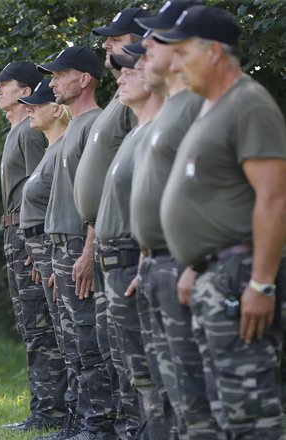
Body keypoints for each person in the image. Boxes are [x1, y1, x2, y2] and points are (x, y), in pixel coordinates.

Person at [157, 5, 286, 438]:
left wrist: (262, 283)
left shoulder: (248, 104)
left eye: (182, 52)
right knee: (220, 407)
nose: (173, 62)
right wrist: (196, 266)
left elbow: (275, 197)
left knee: (249, 413)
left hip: (240, 277)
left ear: (213, 52)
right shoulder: (212, 108)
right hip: (215, 276)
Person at [129, 2, 221, 439]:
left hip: (185, 265)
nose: (144, 45)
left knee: (193, 394)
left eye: (157, 37)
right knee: (168, 390)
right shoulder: (168, 108)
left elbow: (216, 190)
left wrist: (195, 261)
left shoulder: (198, 107)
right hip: (156, 262)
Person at [72, 8, 147, 439]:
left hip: (128, 244)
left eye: (114, 38)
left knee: (132, 357)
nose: (105, 45)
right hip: (105, 240)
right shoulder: (123, 95)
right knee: (111, 348)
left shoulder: (137, 99)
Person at [38, 46, 117, 440]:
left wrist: (87, 252)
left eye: (59, 74)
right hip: (62, 246)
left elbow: (98, 198)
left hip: (79, 246)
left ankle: (99, 423)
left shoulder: (96, 124)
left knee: (88, 340)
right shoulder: (73, 127)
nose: (52, 82)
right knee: (71, 341)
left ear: (84, 79)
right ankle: (78, 420)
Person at [0, 61, 66, 432]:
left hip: (30, 235)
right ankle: (44, 407)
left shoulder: (31, 134)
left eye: (5, 84)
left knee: (41, 324)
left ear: (25, 91)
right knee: (30, 324)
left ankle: (51, 410)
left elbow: (46, 190)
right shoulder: (17, 131)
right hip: (15, 234)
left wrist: (41, 246)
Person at [95, 50, 168, 438]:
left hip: (135, 262)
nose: (120, 78)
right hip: (117, 263)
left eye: (129, 72)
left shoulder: (158, 131)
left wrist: (145, 259)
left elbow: (162, 203)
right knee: (128, 368)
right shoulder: (137, 132)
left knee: (147, 373)